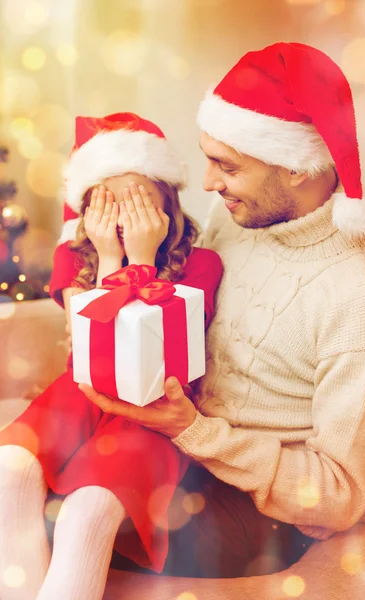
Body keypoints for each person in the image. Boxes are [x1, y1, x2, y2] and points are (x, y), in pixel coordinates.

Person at [79, 43, 365, 581]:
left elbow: (337, 496)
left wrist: (193, 431)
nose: (209, 183)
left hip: (258, 509)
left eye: (226, 166)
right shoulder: (238, 216)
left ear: (298, 169)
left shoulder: (364, 298)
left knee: (72, 518)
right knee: (24, 474)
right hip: (175, 446)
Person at [0, 112, 222, 600]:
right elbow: (95, 352)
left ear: (167, 203)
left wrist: (140, 263)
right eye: (106, 203)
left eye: (139, 201)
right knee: (9, 470)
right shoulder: (72, 259)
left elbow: (146, 364)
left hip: (150, 409)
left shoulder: (202, 264)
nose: (123, 218)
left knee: (89, 509)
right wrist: (107, 262)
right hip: (81, 390)